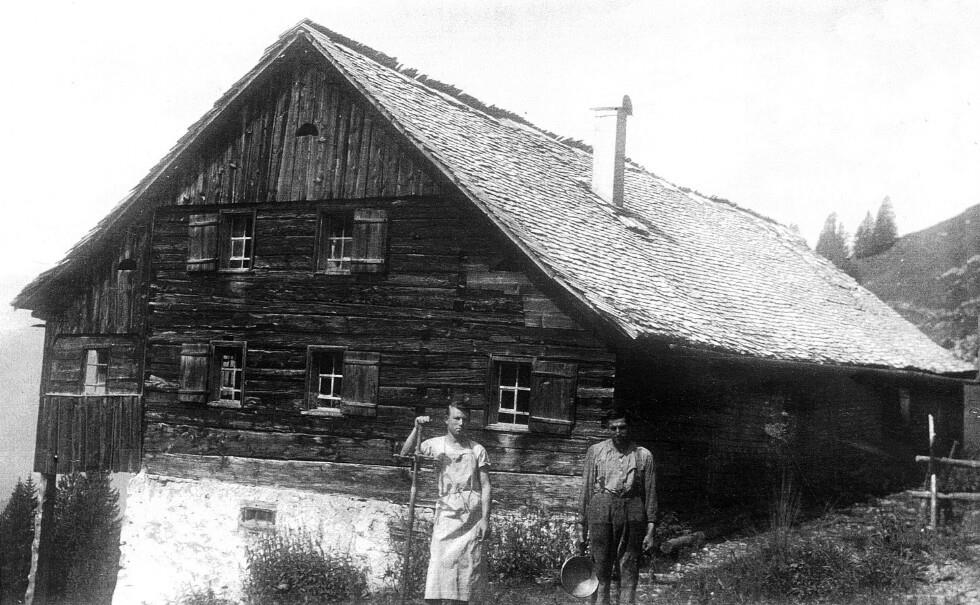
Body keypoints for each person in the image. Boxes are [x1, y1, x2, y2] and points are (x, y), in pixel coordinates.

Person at [401, 403, 491, 605]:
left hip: (471, 516)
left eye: (465, 419)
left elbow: (486, 486)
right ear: (446, 420)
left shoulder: (477, 449)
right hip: (446, 512)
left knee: (467, 571)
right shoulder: (435, 445)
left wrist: (485, 519)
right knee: (439, 565)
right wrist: (416, 428)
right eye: (457, 418)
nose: (461, 423)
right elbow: (405, 454)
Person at [579, 407, 656, 605]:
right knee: (600, 564)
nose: (618, 432)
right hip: (602, 508)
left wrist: (650, 529)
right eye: (613, 428)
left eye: (622, 427)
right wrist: (581, 525)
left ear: (629, 427)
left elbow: (650, 493)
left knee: (629, 563)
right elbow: (586, 490)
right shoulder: (596, 452)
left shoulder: (643, 455)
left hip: (633, 510)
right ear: (608, 428)